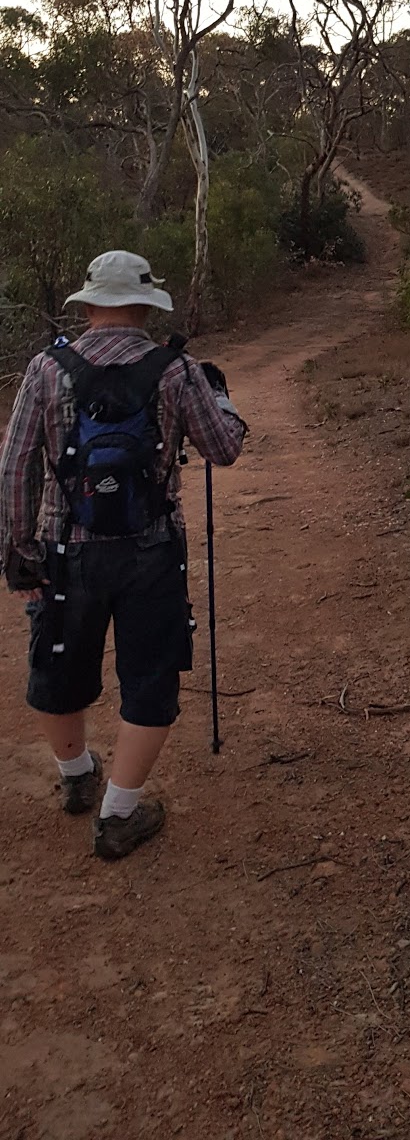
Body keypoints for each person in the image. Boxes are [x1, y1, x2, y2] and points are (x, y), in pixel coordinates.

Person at [0, 250, 246, 860]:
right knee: (149, 676)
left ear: (87, 307)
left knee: (58, 666)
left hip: (65, 552)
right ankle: (118, 815)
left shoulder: (46, 369)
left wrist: (19, 554)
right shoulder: (176, 370)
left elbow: (15, 467)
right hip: (152, 551)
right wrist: (221, 398)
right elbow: (223, 449)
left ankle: (77, 774)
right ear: (144, 308)